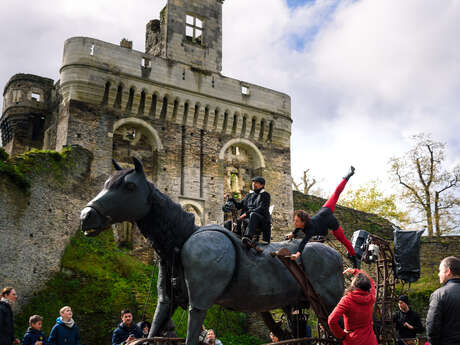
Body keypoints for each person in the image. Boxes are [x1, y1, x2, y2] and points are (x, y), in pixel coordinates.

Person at [288, 166, 358, 267]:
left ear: (303, 222)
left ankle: (354, 257)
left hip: (329, 219)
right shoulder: (301, 224)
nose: (294, 223)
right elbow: (297, 228)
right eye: (295, 221)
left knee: (343, 240)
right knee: (336, 194)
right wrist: (293, 234)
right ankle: (347, 176)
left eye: (297, 221)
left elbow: (303, 243)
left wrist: (297, 254)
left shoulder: (310, 230)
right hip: (324, 211)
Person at [328, 268, 378, 345]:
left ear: (354, 285)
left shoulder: (347, 300)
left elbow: (331, 320)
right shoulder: (371, 297)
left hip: (353, 340)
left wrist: (341, 335)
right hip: (370, 341)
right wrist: (356, 271)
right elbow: (371, 281)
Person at [227, 176, 271, 246]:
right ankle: (228, 238)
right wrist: (232, 199)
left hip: (261, 220)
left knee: (253, 214)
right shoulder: (249, 195)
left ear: (262, 185)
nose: (254, 184)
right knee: (229, 222)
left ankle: (248, 237)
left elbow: (261, 209)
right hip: (249, 218)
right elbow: (239, 206)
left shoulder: (265, 195)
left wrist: (246, 214)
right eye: (253, 182)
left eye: (256, 183)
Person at [426, 256, 460, 345]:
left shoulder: (439, 294)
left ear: (448, 271)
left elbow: (432, 327)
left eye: (440, 270)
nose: (438, 274)